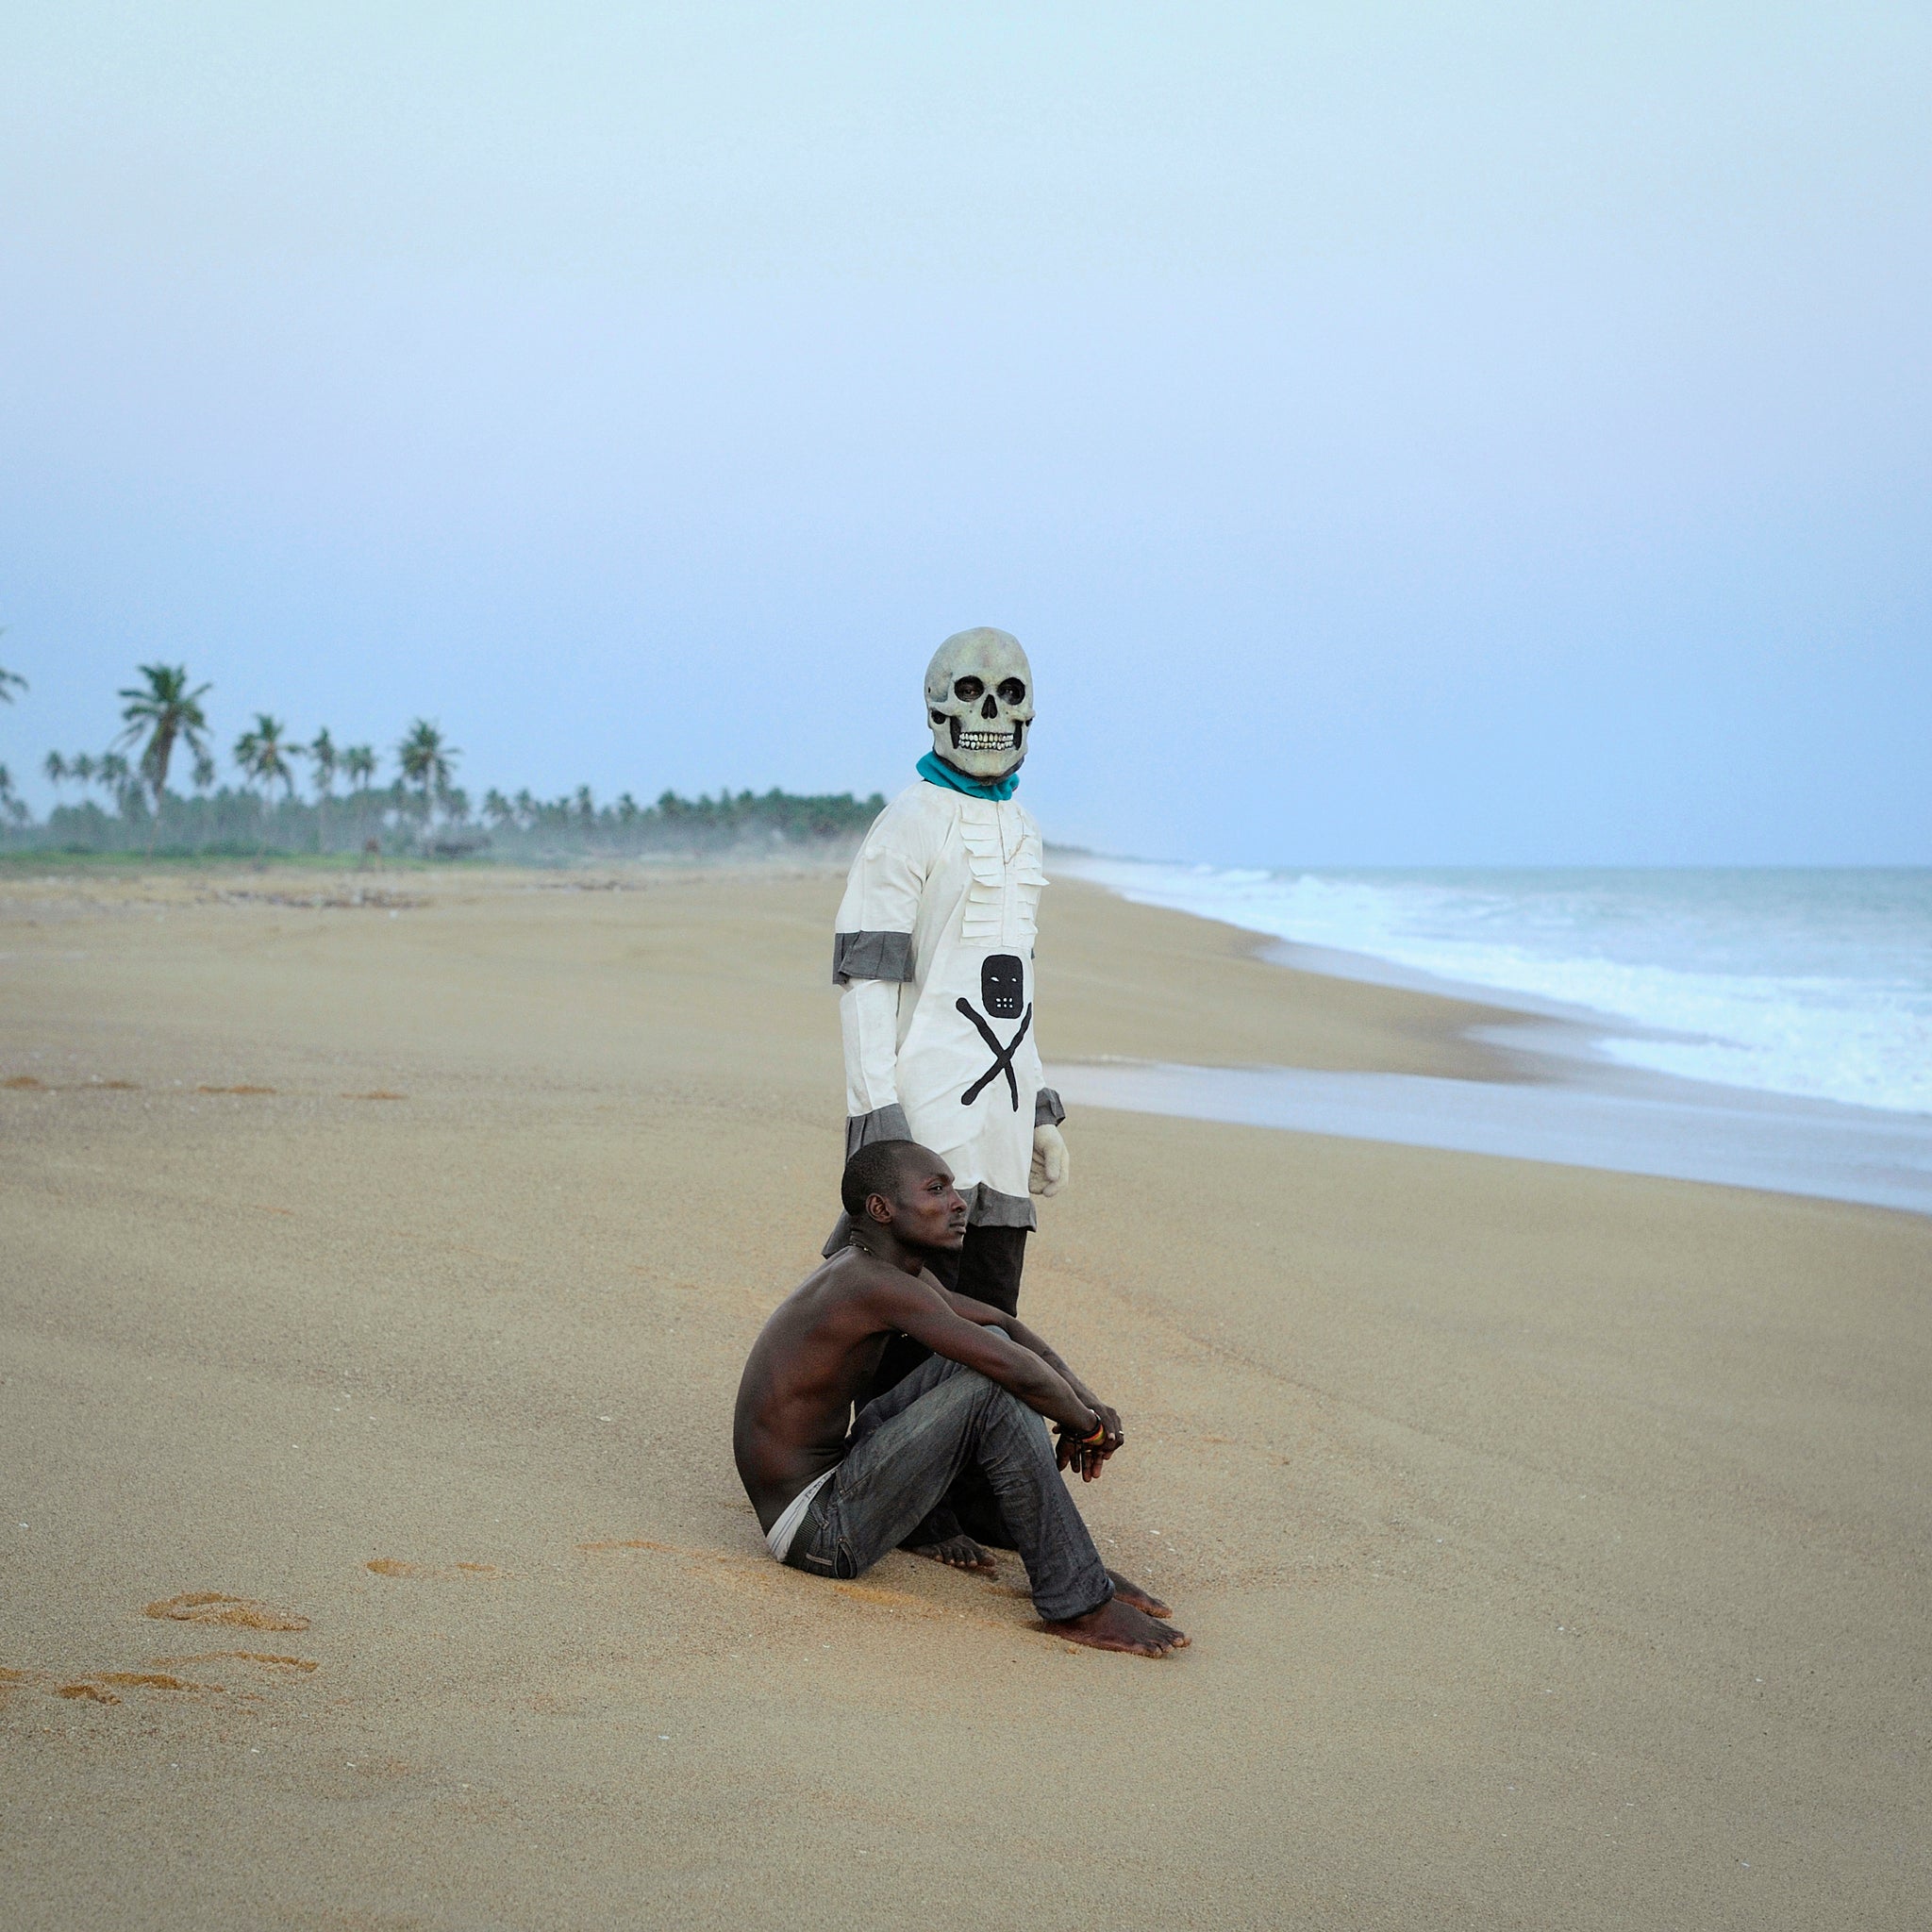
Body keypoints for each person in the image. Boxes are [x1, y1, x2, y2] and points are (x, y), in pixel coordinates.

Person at [737, 1141, 1187, 1659]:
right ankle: (1079, 1601)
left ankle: (1068, 1562)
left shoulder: (883, 1270)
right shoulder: (870, 1284)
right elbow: (1011, 1370)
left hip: (844, 1475)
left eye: (953, 1187)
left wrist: (1089, 1402)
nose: (958, 1202)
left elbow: (1003, 1326)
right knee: (992, 1384)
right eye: (936, 1189)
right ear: (881, 1209)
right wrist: (1088, 1428)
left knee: (991, 1352)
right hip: (817, 1534)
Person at [827, 626, 1069, 1564]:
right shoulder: (907, 822)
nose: (990, 716)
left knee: (991, 1305)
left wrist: (1042, 1107)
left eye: (1009, 695)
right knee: (913, 1319)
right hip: (925, 1113)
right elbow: (866, 974)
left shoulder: (1024, 830)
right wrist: (875, 1114)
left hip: (1001, 1116)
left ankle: (972, 1492)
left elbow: (1016, 982)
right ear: (934, 708)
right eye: (970, 693)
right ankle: (910, 1504)